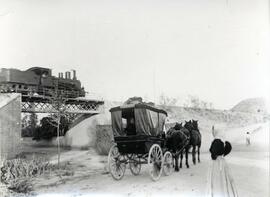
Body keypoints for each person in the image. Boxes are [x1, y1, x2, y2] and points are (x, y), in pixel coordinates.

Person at [206, 126, 239, 197]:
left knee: (216, 180)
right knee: (224, 178)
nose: (212, 132)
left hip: (216, 164)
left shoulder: (216, 141)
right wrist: (222, 155)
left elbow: (213, 154)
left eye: (213, 131)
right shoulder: (223, 141)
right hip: (222, 162)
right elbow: (228, 148)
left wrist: (214, 155)